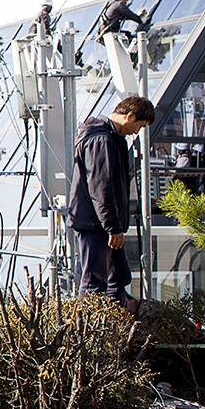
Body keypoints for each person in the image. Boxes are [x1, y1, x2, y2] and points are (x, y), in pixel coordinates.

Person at [67, 94, 154, 309]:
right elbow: (101, 186)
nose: (137, 131)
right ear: (130, 116)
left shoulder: (107, 138)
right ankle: (92, 333)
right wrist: (112, 226)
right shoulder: (101, 140)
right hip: (96, 224)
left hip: (102, 224)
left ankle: (117, 325)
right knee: (95, 283)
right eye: (139, 125)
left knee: (118, 277)